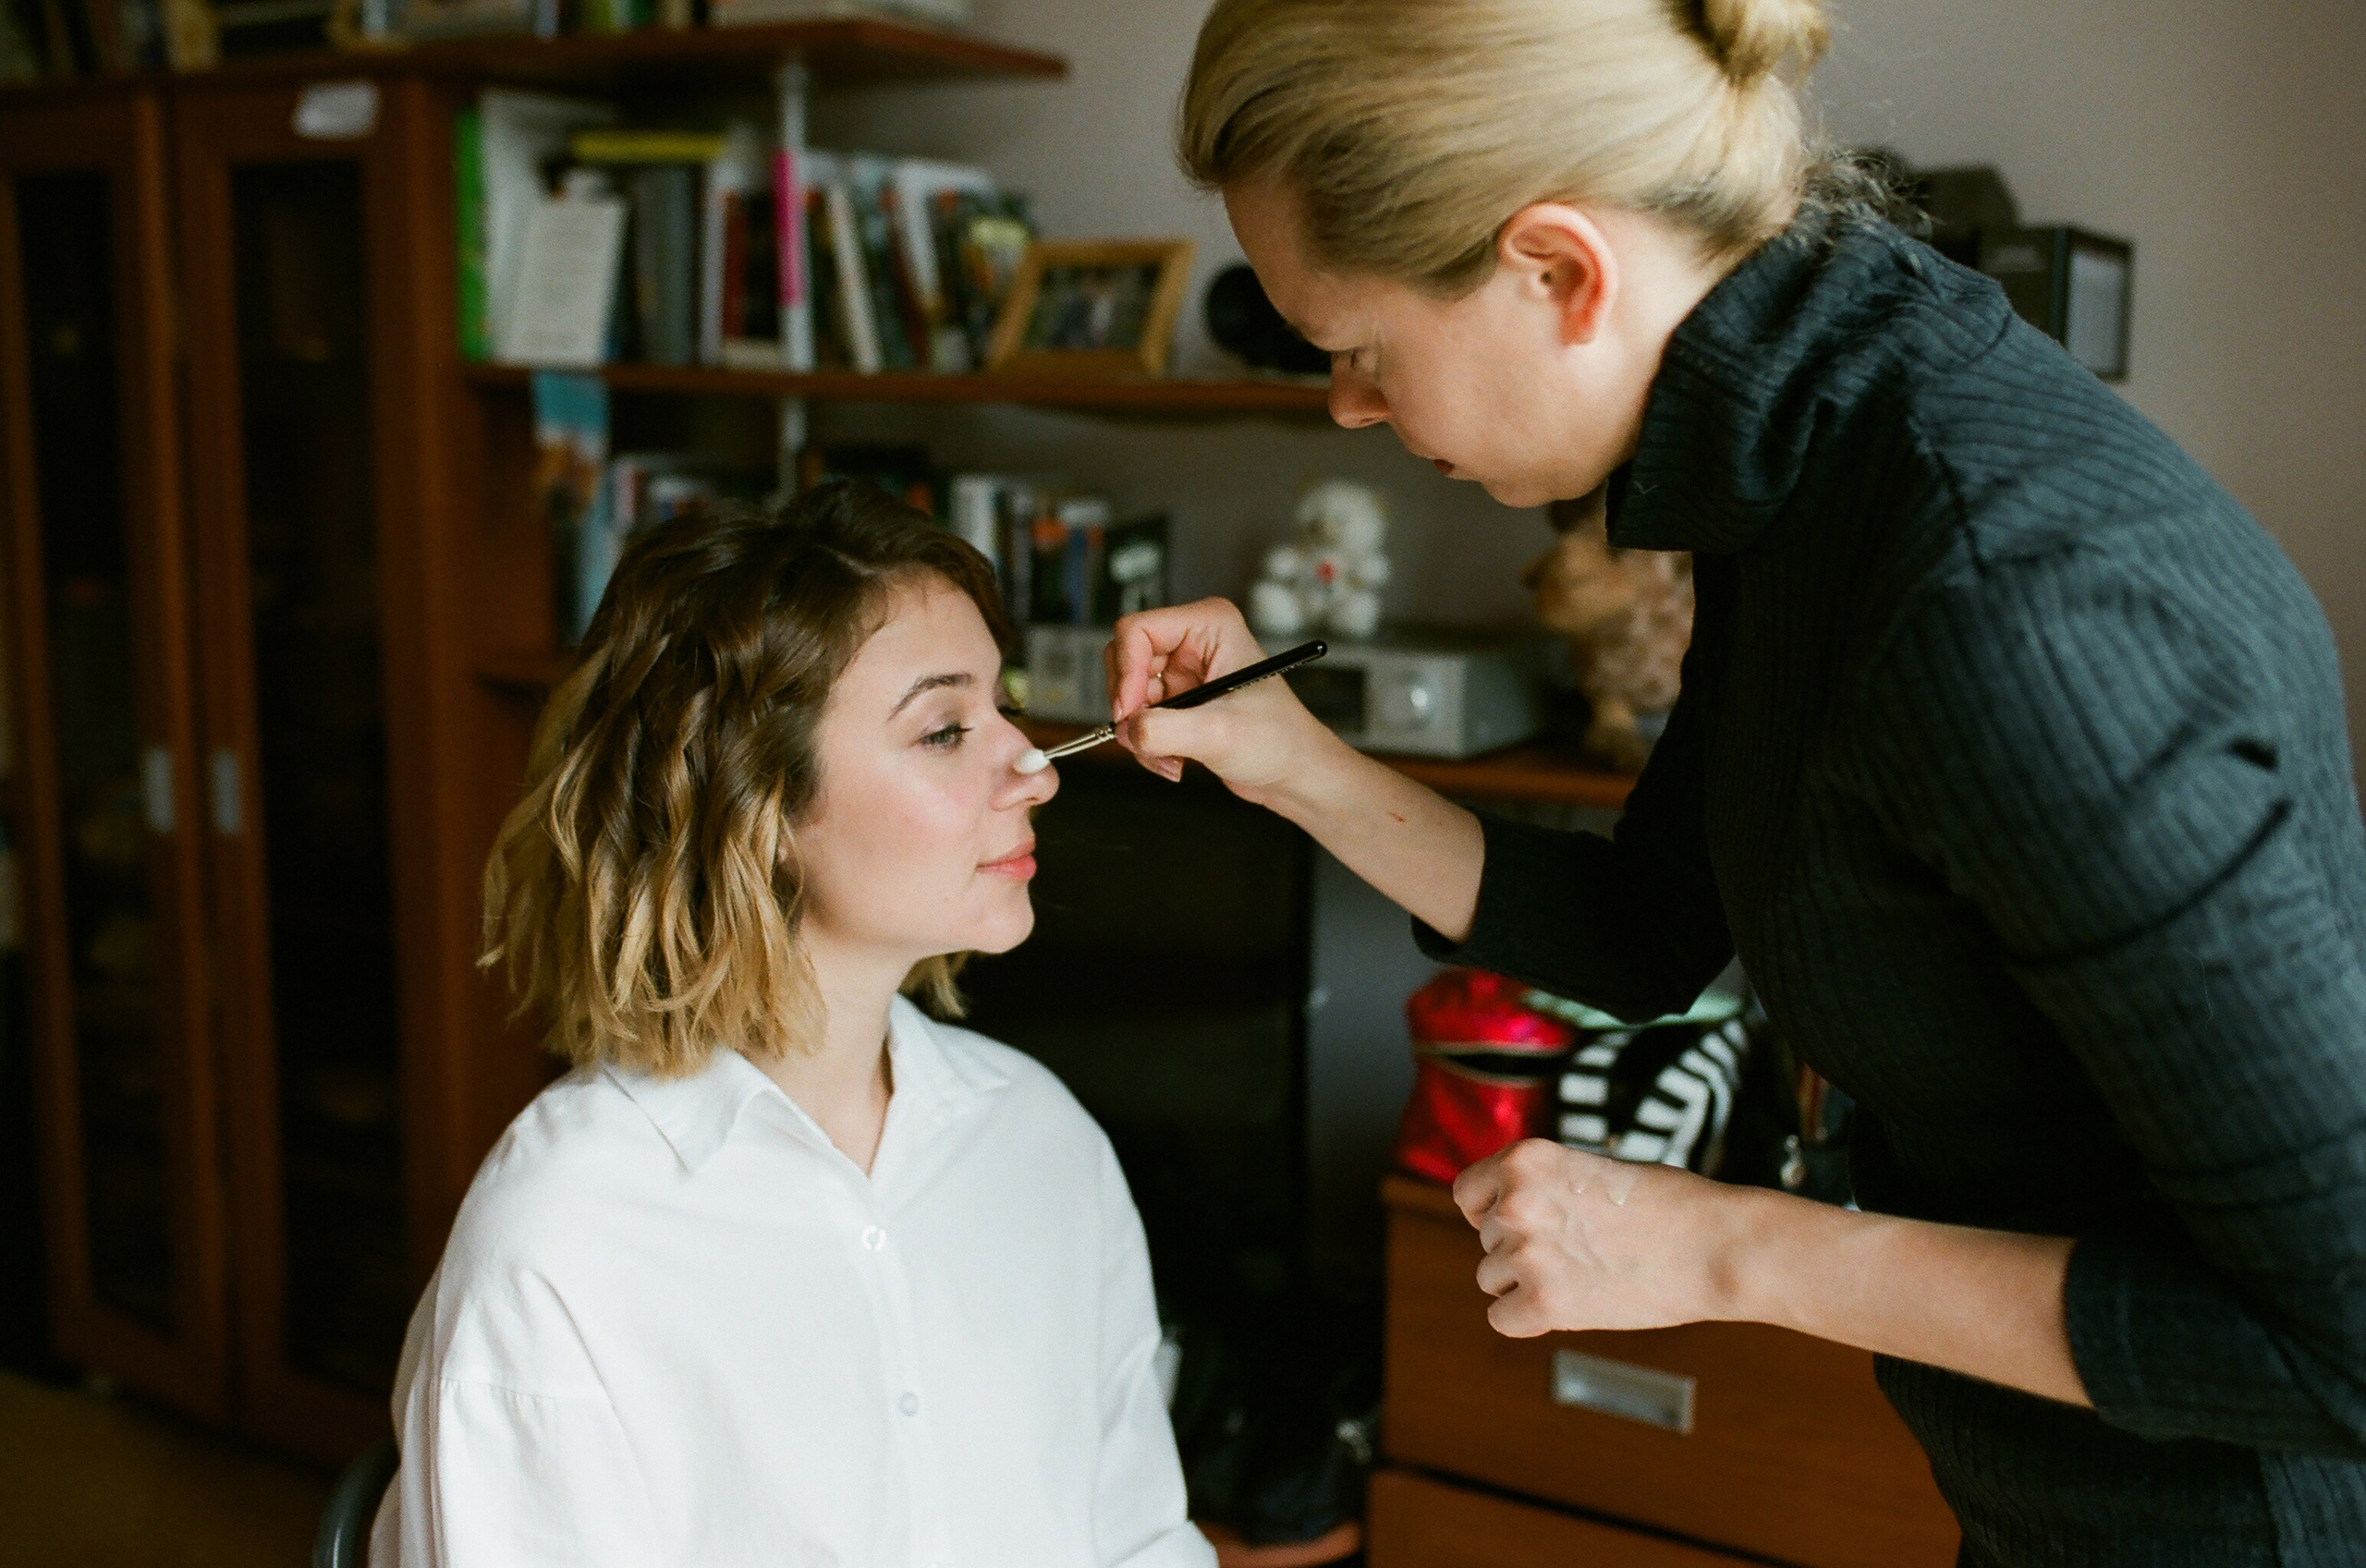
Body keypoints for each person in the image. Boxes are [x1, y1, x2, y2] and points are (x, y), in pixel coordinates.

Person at [1104, 2, 2366, 1565]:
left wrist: (1732, 1247)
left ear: (1560, 271)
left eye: (1360, 351)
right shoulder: (1809, 445)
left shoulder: (2001, 600)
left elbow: (2346, 1333)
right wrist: (1290, 763)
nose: (1349, 407)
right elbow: (1651, 924)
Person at [372, 484, 1213, 1568]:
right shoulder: (563, 1241)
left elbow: (1142, 1538)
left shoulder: (1041, 1138)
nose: (1035, 767)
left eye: (1003, 708)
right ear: (756, 809)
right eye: (945, 728)